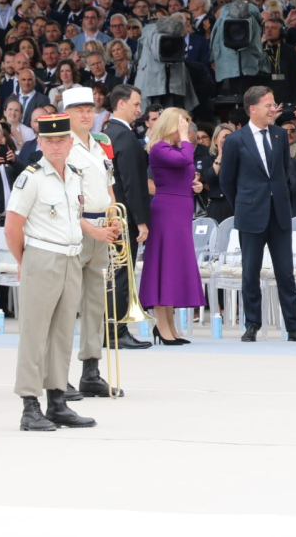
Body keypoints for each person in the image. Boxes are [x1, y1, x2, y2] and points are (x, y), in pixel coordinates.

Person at [5, 113, 96, 431]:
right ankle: (30, 405)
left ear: (71, 142)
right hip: (41, 257)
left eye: (61, 140)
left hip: (71, 258)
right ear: (39, 143)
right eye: (49, 140)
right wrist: (24, 262)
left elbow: (76, 217)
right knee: (33, 334)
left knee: (61, 334)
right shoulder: (31, 178)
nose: (56, 146)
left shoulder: (74, 175)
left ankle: (57, 400)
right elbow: (12, 226)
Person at [219, 86, 296, 343]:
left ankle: (294, 327)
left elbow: (282, 173)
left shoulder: (280, 135)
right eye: (269, 105)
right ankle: (252, 324)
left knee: (286, 271)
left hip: (279, 213)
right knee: (250, 271)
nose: (274, 109)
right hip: (251, 213)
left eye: (274, 105)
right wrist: (243, 202)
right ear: (253, 109)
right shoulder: (236, 140)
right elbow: (227, 180)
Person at [61, 88, 124, 397]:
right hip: (76, 229)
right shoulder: (61, 146)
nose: (86, 115)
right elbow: (63, 201)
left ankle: (91, 370)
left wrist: (113, 216)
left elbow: (109, 185)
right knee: (67, 305)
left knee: (95, 304)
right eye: (78, 110)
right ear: (66, 113)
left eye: (90, 109)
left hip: (101, 227)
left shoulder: (101, 145)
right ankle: (58, 374)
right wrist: (93, 229)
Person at [139, 108, 207, 344]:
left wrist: (193, 185)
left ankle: (170, 325)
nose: (185, 130)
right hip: (166, 210)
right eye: (181, 125)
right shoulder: (159, 147)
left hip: (181, 208)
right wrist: (186, 138)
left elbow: (183, 171)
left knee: (174, 267)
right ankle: (161, 324)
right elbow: (184, 160)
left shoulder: (177, 148)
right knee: (163, 266)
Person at [102, 85, 152, 349]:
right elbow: (133, 183)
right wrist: (141, 220)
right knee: (122, 273)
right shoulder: (125, 137)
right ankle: (117, 330)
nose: (139, 109)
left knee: (113, 273)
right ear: (121, 104)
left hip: (108, 215)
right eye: (135, 104)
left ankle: (107, 328)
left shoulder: (106, 134)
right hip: (124, 217)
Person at [199, 123, 235, 223]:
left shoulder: (240, 158)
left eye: (230, 137)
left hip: (237, 204)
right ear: (215, 140)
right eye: (223, 137)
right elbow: (209, 179)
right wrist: (220, 156)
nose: (227, 140)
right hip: (218, 205)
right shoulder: (208, 160)